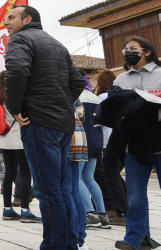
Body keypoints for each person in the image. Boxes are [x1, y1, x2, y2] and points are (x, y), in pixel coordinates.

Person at [3, 5, 85, 249]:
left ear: (27, 19)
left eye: (11, 17)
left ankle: (54, 245)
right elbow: (78, 81)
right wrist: (61, 103)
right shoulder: (57, 44)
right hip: (62, 124)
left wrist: (15, 108)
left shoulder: (20, 39)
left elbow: (16, 70)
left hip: (39, 122)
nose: (6, 23)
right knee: (61, 189)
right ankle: (69, 244)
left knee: (48, 191)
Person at [109, 37, 161, 250]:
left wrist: (154, 112)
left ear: (146, 52)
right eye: (126, 50)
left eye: (133, 49)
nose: (128, 53)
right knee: (134, 193)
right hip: (135, 142)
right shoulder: (120, 80)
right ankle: (136, 239)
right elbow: (113, 109)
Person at [0, 72, 40, 223]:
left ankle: (7, 209)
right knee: (25, 173)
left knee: (9, 173)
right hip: (19, 139)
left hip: (4, 139)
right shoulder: (14, 96)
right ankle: (25, 210)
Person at [95, 69, 127, 226]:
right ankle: (124, 206)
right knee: (114, 174)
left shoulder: (101, 98)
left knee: (110, 175)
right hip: (123, 140)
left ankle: (120, 210)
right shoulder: (119, 96)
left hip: (107, 142)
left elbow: (98, 122)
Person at [76, 77, 109, 229]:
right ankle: (102, 214)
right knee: (89, 178)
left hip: (80, 141)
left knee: (76, 178)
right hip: (96, 140)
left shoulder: (75, 97)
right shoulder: (94, 97)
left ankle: (89, 213)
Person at [68, 99, 89, 250]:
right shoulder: (73, 88)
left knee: (65, 190)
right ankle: (80, 237)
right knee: (74, 189)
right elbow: (81, 113)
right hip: (78, 133)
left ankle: (72, 236)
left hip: (64, 135)